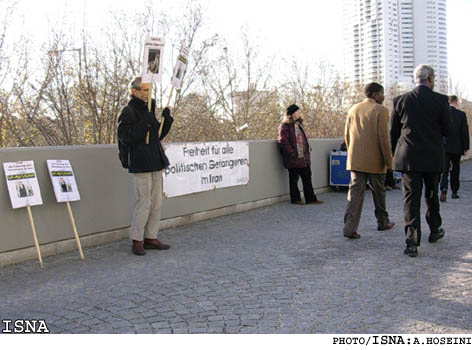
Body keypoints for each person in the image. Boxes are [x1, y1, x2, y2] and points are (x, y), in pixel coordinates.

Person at [390, 64, 453, 257]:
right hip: (433, 158)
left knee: (410, 199)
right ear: (431, 79)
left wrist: (397, 155)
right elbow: (448, 130)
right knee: (432, 196)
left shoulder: (400, 100)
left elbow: (393, 133)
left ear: (415, 79)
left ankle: (411, 242)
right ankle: (434, 231)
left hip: (409, 158)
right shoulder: (441, 101)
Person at [117, 76, 173, 256]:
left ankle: (150, 236)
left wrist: (166, 120)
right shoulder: (128, 111)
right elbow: (126, 137)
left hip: (155, 161)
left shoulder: (149, 109)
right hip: (140, 163)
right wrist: (145, 123)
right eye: (143, 90)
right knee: (143, 203)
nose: (147, 94)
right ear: (134, 91)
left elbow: (156, 135)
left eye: (148, 90)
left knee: (156, 203)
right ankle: (137, 239)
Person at [343, 83, 395, 239]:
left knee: (354, 195)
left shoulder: (353, 109)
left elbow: (347, 135)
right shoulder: (381, 110)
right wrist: (388, 161)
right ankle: (382, 222)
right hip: (376, 161)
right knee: (379, 194)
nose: (383, 96)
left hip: (356, 161)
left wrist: (352, 154)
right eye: (382, 94)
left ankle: (349, 227)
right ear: (375, 95)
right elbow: (384, 139)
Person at [278, 104, 323, 205]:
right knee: (294, 179)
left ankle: (311, 199)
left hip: (304, 158)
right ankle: (296, 199)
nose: (299, 113)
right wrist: (292, 153)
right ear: (292, 114)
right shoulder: (285, 126)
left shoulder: (299, 125)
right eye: (298, 112)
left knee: (307, 178)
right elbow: (283, 141)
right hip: (293, 158)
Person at [439, 95, 470, 202]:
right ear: (456, 102)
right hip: (457, 147)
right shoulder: (461, 115)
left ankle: (443, 188)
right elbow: (464, 132)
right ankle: (454, 192)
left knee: (445, 169)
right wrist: (466, 146)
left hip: (444, 146)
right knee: (455, 169)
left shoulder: (442, 114)